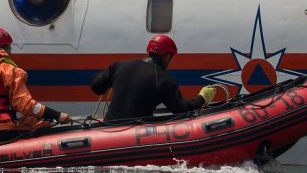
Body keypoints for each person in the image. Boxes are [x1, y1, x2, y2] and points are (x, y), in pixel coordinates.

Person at [0, 27, 72, 140]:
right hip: (0, 131)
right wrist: (56, 115)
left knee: (28, 121)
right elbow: (26, 105)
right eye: (10, 47)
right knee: (40, 123)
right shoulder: (5, 68)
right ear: (5, 47)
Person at [90, 34, 218, 122]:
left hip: (107, 129)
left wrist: (112, 76)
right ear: (167, 56)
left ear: (149, 51)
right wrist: (202, 97)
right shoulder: (163, 80)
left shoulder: (119, 66)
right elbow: (183, 110)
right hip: (133, 135)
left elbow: (96, 87)